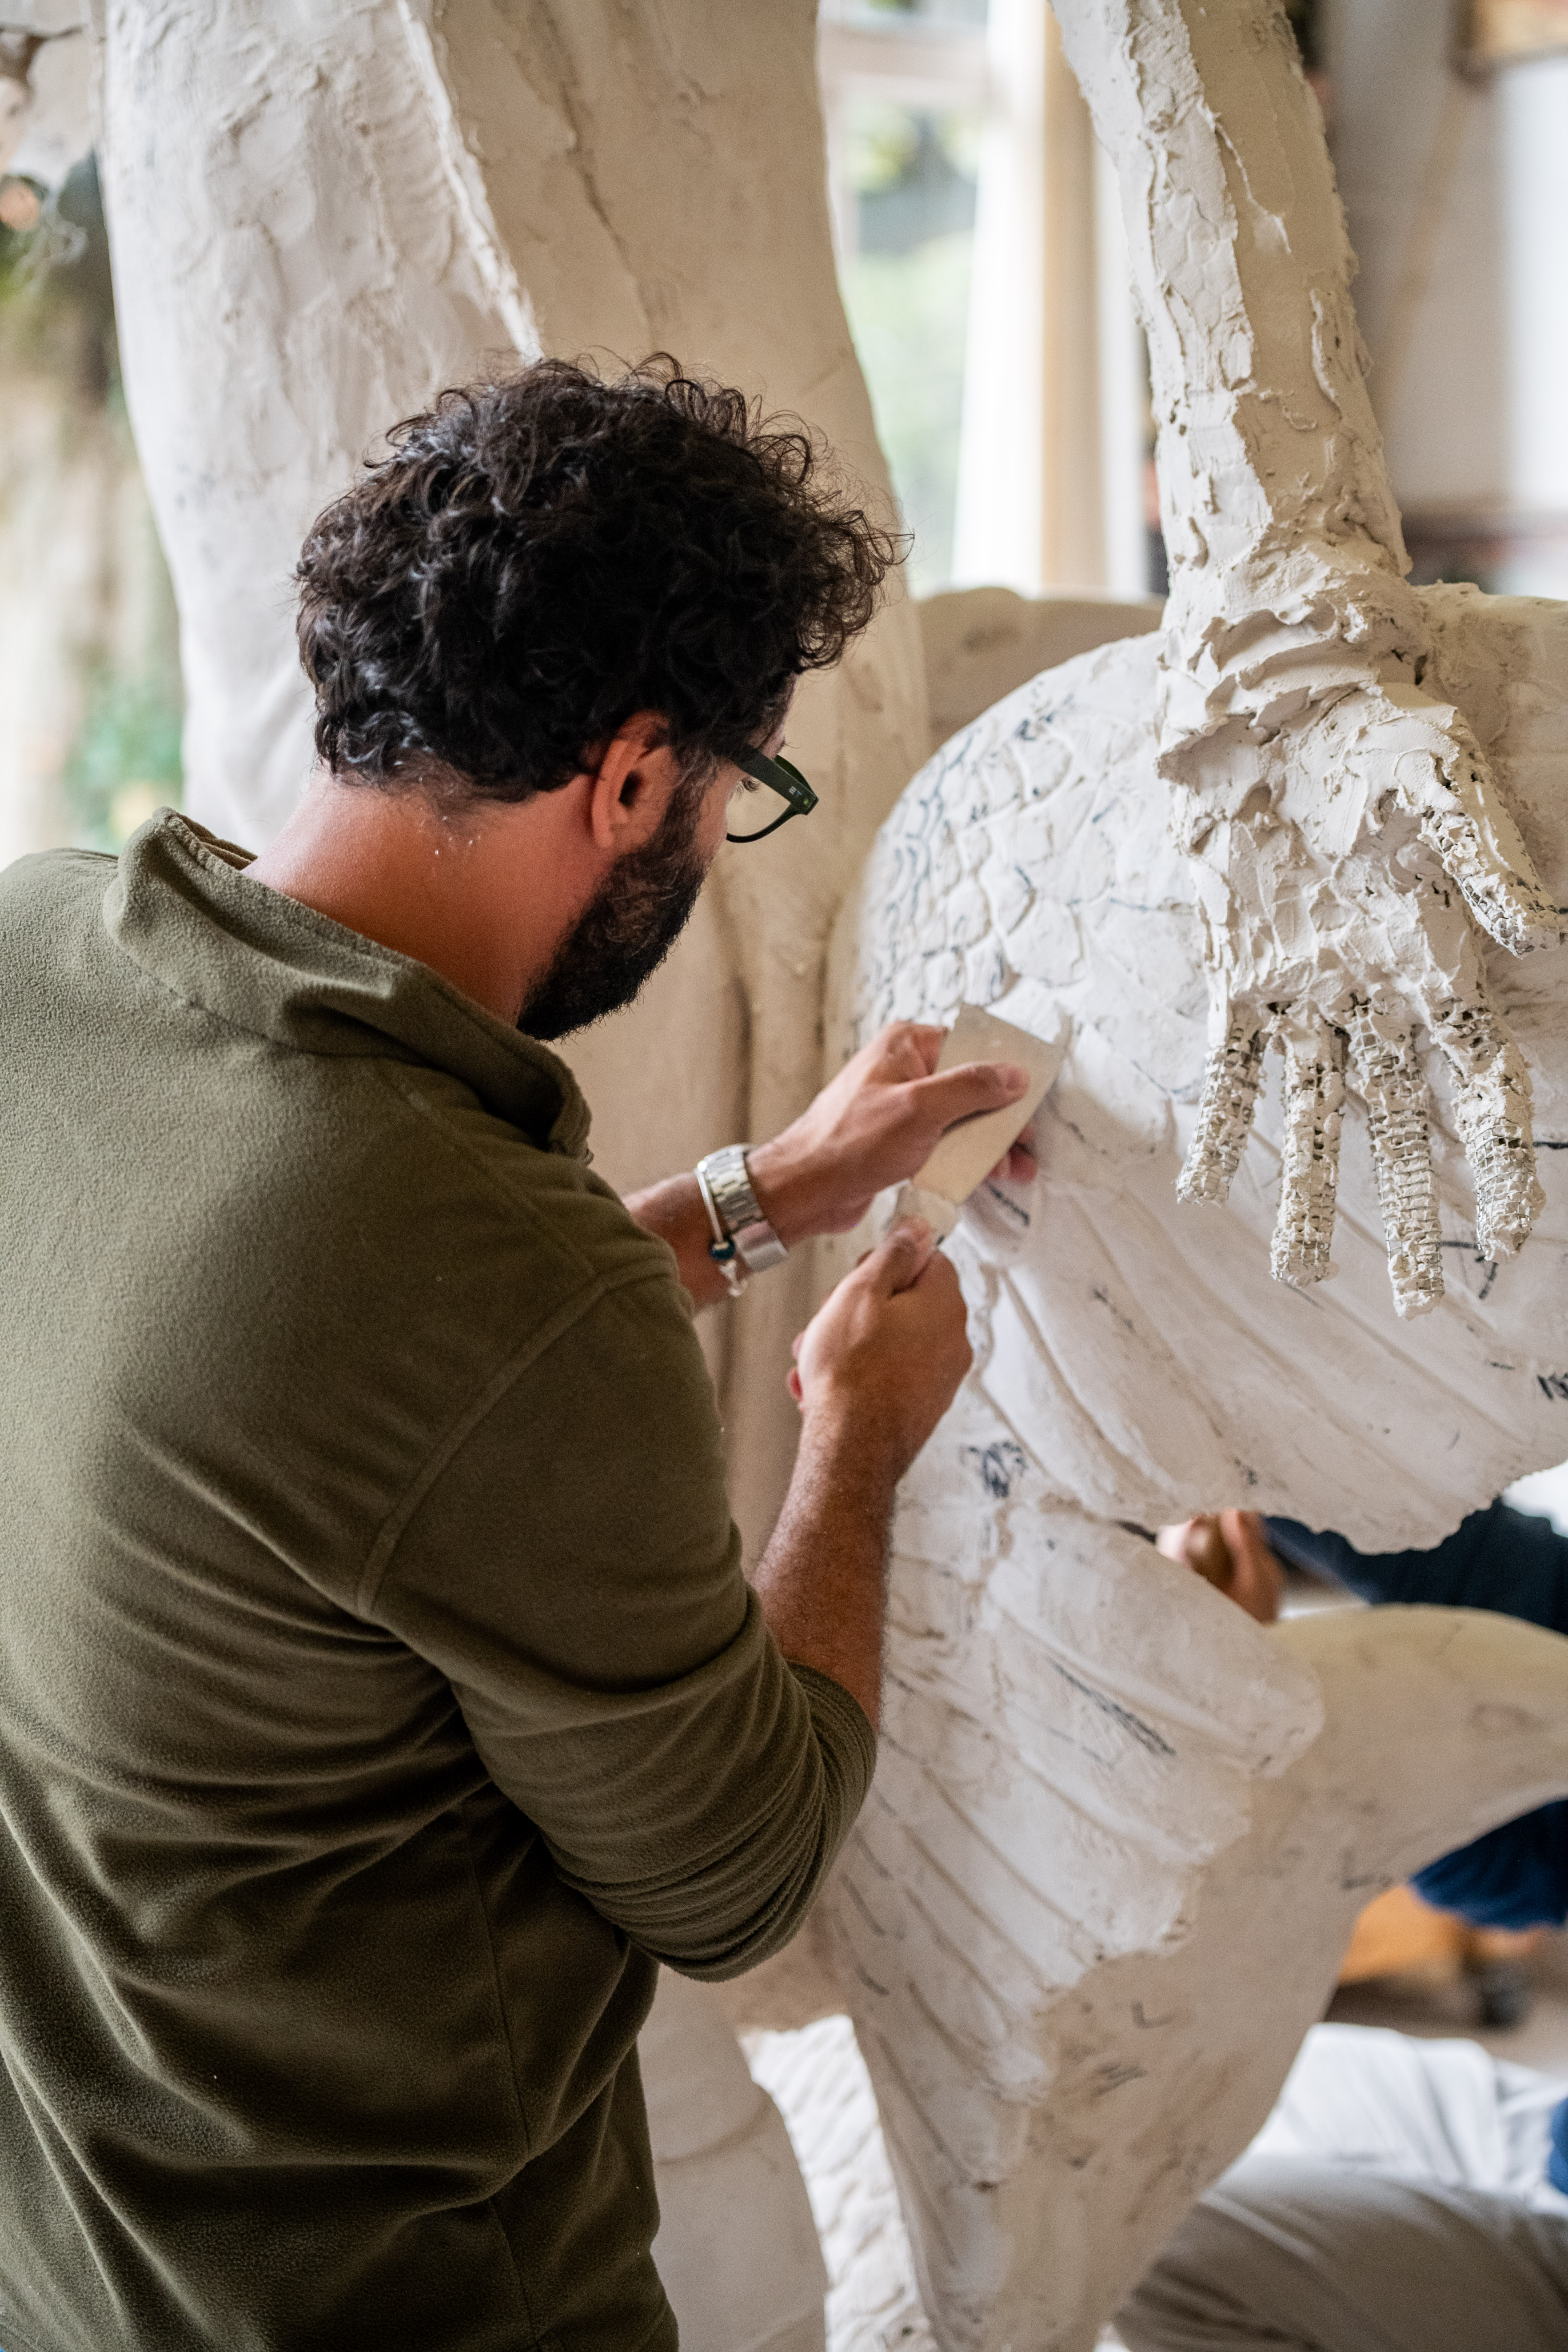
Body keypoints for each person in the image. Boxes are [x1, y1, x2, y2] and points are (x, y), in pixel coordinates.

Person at [0, 358, 1035, 2352]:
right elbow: (738, 1875)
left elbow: (343, 1414)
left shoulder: (39, 958)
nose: (718, 841)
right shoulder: (485, 1270)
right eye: (741, 788)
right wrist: (860, 1433)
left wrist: (760, 1195)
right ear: (635, 775)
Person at [1117, 1504, 1568, 2352]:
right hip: (1552, 2135)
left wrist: (1275, 1693)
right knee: (1224, 2095)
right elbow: (1523, 1872)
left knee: (1149, 2253)